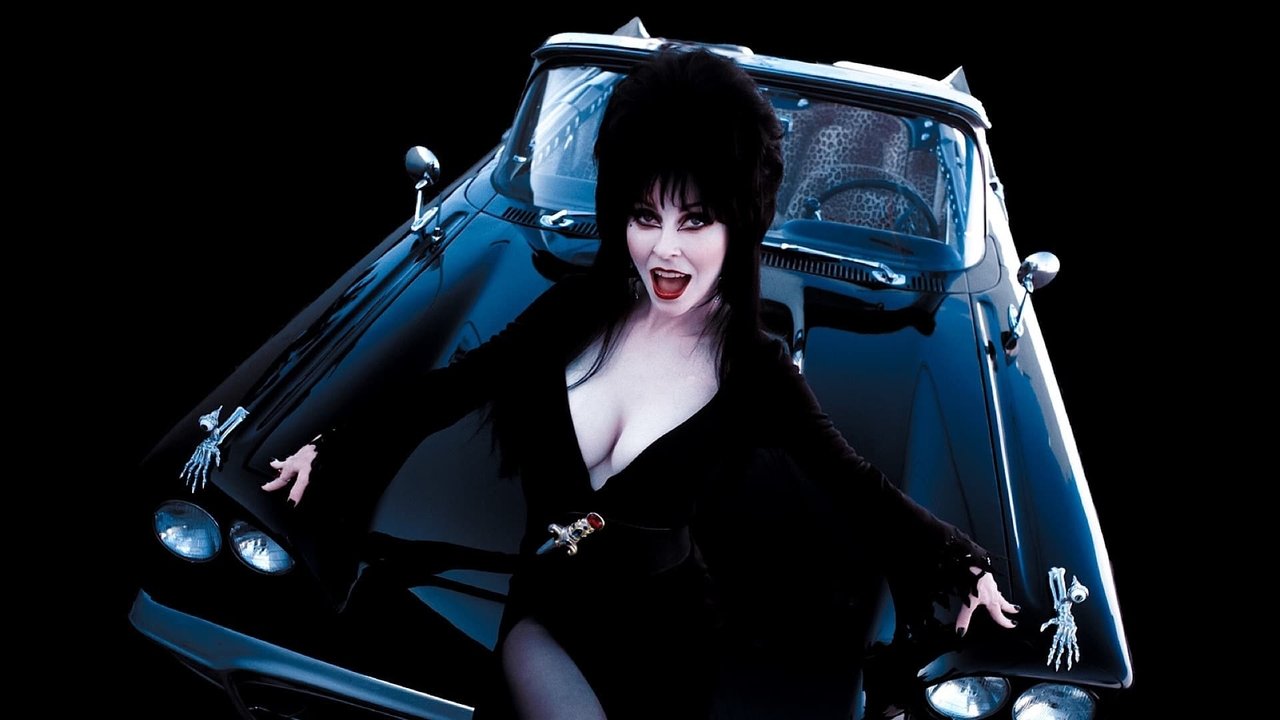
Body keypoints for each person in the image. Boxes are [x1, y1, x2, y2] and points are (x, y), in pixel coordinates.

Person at [262, 46, 1017, 719]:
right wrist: (334, 445)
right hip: (544, 611)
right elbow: (456, 385)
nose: (664, 250)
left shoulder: (753, 367)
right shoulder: (572, 311)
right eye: (644, 216)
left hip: (670, 637)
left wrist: (964, 561)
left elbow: (855, 485)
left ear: (739, 224)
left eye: (695, 220)